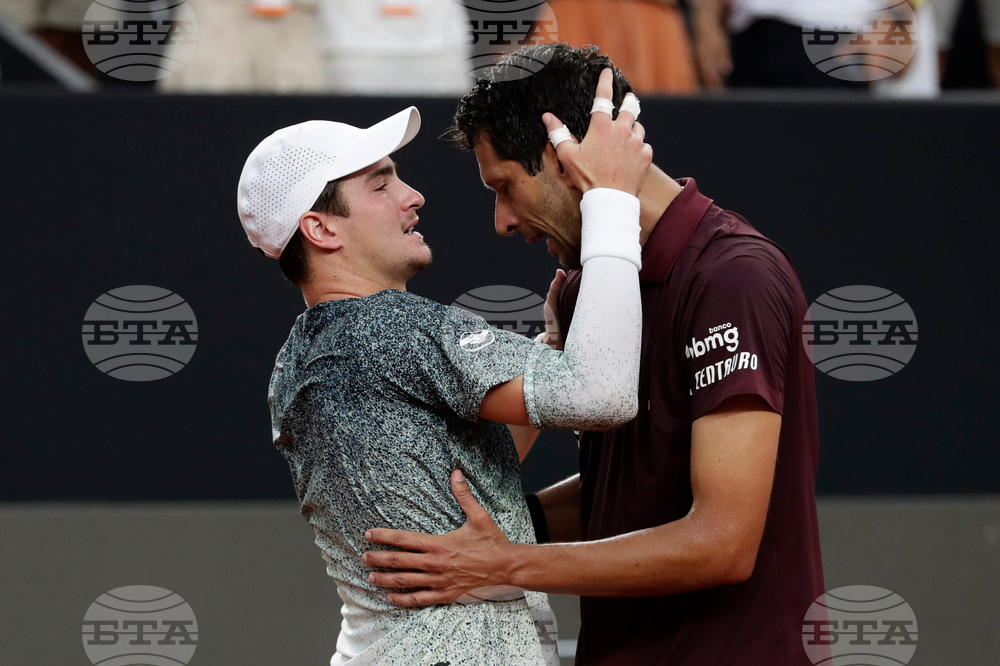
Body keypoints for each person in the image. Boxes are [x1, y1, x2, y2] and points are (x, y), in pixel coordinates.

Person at [363, 43, 827, 665]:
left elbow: (722, 541)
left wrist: (508, 564)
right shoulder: (590, 284)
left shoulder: (733, 278)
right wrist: (494, 533)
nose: (501, 222)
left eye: (504, 186)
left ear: (565, 160)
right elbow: (628, 490)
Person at [235, 74, 651, 665]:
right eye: (381, 184)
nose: (413, 196)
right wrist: (611, 202)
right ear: (321, 229)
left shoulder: (301, 356)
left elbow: (469, 466)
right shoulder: (392, 327)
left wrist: (555, 341)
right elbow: (603, 394)